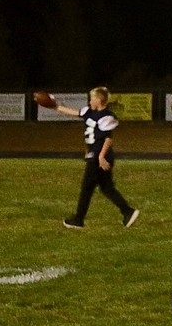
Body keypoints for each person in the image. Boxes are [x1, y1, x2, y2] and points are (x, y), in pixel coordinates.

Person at [55, 86, 140, 229]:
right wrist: (55, 106)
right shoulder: (89, 112)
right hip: (95, 154)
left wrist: (101, 156)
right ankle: (128, 211)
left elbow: (108, 138)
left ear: (99, 100)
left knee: (86, 188)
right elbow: (73, 112)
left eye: (92, 98)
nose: (90, 101)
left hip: (100, 156)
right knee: (107, 188)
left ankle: (78, 219)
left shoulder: (107, 116)